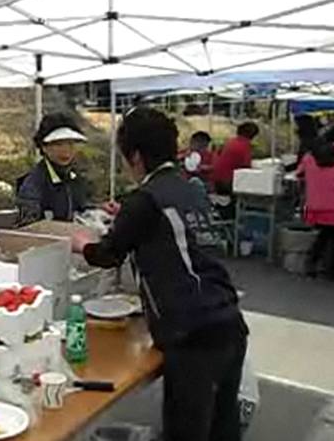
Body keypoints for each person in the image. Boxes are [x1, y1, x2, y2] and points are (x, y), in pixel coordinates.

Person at [72, 108, 248, 441]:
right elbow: (170, 229)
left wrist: (82, 245)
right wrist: (127, 215)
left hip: (192, 334)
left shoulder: (144, 200)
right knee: (222, 428)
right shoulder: (190, 188)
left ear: (136, 156)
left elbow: (109, 254)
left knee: (187, 433)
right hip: (228, 322)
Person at [297, 124, 334, 283]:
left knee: (325, 234)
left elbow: (299, 174)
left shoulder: (310, 156)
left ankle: (311, 265)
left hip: (314, 205)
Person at [16, 112, 92, 225]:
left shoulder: (75, 177)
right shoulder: (33, 184)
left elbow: (82, 208)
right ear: (44, 147)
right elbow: (28, 225)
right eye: (58, 144)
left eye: (70, 144)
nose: (66, 150)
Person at [211, 122, 260, 195]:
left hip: (216, 180)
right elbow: (246, 167)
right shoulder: (245, 145)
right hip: (229, 182)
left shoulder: (230, 142)